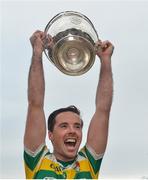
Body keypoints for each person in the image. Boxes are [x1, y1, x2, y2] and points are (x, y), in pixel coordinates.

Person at [24, 30, 114, 179]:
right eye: (64, 126)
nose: (72, 131)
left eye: (77, 126)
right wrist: (37, 53)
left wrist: (105, 61)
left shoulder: (89, 162)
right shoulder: (37, 160)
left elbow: (103, 110)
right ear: (50, 135)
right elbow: (35, 104)